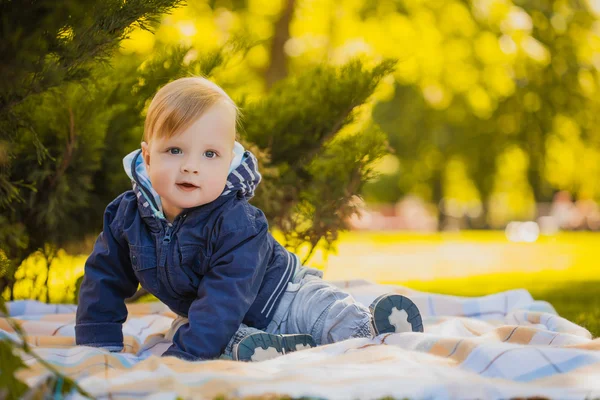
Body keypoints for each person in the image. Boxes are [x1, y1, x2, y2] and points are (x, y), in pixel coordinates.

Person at [75, 77, 423, 362]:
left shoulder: (238, 221)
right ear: (148, 157)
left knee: (324, 313)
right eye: (175, 150)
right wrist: (97, 340)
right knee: (197, 335)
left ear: (228, 163)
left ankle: (377, 327)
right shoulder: (127, 217)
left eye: (210, 154)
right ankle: (274, 349)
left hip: (284, 295)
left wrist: (189, 354)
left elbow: (225, 295)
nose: (191, 165)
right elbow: (103, 277)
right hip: (221, 318)